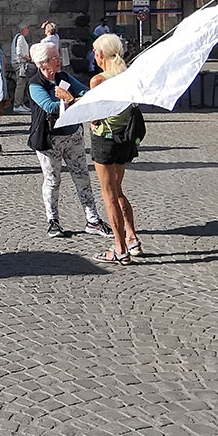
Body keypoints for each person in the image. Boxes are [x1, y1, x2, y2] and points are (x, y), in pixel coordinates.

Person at [27, 41, 109, 238]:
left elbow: (85, 92)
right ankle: (53, 221)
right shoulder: (35, 84)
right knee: (52, 181)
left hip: (72, 136)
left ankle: (93, 220)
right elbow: (50, 107)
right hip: (49, 140)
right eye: (55, 58)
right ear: (43, 63)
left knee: (83, 178)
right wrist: (70, 100)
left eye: (58, 56)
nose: (59, 60)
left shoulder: (63, 76)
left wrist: (72, 99)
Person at [89, 33, 142, 264]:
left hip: (105, 140)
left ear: (101, 54)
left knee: (109, 194)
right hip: (125, 139)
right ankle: (132, 238)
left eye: (94, 51)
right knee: (118, 190)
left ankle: (120, 248)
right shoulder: (127, 75)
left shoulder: (98, 80)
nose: (94, 55)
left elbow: (94, 117)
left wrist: (70, 99)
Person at [9, 24, 35, 113]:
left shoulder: (18, 37)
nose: (28, 30)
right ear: (23, 29)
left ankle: (21, 103)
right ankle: (17, 104)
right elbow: (19, 52)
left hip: (18, 63)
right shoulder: (20, 38)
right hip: (20, 63)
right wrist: (29, 59)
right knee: (21, 84)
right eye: (27, 28)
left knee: (22, 84)